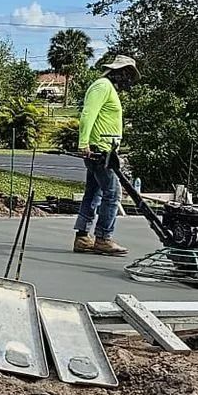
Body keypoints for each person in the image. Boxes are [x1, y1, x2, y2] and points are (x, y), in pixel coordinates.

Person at [73, 55, 137, 256]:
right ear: (116, 72)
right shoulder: (102, 86)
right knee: (113, 193)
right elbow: (88, 114)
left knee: (94, 192)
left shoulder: (107, 88)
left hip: (104, 148)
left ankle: (83, 237)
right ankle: (103, 238)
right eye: (125, 73)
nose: (127, 79)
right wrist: (83, 143)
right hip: (100, 149)